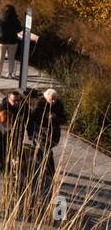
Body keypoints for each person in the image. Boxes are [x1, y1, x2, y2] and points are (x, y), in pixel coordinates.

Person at [30, 88, 67, 218]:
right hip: (41, 134)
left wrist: (56, 118)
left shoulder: (58, 104)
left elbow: (64, 119)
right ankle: (48, 171)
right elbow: (32, 120)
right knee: (45, 154)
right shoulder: (39, 105)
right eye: (51, 99)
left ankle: (46, 171)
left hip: (52, 135)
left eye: (55, 99)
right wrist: (32, 134)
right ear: (46, 98)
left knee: (45, 153)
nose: (53, 101)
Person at [0, 4, 23, 80]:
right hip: (13, 41)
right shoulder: (15, 19)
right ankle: (10, 74)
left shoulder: (1, 17)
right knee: (11, 58)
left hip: (1, 41)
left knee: (0, 58)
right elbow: (20, 29)